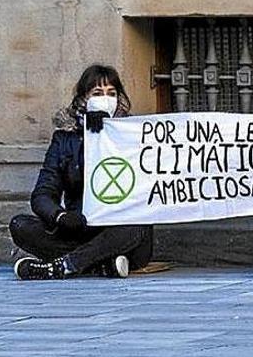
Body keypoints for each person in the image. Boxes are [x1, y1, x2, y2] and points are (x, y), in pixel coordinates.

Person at [9, 65, 153, 280]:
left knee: (135, 225)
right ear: (83, 98)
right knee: (20, 225)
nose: (105, 98)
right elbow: (42, 194)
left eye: (111, 93)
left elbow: (147, 187)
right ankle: (98, 265)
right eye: (97, 93)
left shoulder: (133, 134)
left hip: (118, 229)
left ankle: (62, 266)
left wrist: (109, 132)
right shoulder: (64, 139)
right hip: (79, 227)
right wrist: (61, 216)